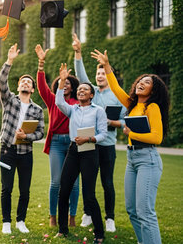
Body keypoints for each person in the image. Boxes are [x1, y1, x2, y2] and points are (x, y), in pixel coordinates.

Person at [92, 49, 169, 244]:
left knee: (145, 212)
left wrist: (130, 133)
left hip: (148, 160)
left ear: (154, 90)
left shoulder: (152, 107)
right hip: (132, 159)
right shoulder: (132, 105)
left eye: (147, 83)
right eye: (141, 81)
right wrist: (107, 65)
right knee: (132, 210)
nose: (142, 83)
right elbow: (116, 88)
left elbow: (157, 137)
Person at [72, 33, 126, 232]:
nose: (99, 76)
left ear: (109, 75)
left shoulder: (118, 96)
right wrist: (78, 52)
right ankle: (87, 213)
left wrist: (111, 121)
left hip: (107, 145)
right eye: (98, 73)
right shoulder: (91, 91)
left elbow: (125, 122)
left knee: (108, 183)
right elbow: (80, 75)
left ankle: (109, 217)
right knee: (88, 182)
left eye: (103, 73)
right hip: (89, 144)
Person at [55, 64, 107, 244]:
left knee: (89, 194)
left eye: (85, 89)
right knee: (64, 190)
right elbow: (58, 102)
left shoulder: (98, 111)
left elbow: (103, 134)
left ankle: (99, 234)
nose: (81, 91)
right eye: (80, 90)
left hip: (90, 152)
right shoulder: (72, 109)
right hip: (73, 151)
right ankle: (62, 229)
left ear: (91, 95)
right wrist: (62, 81)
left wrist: (89, 139)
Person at [0, 43, 45, 234]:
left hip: (26, 153)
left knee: (24, 190)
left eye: (28, 83)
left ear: (32, 89)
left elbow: (41, 132)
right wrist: (9, 61)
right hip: (7, 150)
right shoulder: (10, 100)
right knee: (6, 188)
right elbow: (1, 82)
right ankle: (6, 222)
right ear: (18, 87)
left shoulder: (37, 110)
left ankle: (21, 221)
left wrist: (28, 136)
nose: (25, 83)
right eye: (22, 82)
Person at [34, 44, 80, 227]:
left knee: (75, 184)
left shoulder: (77, 102)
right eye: (63, 82)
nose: (66, 83)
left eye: (68, 82)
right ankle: (53, 216)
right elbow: (41, 86)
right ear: (59, 85)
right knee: (56, 182)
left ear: (73, 86)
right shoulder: (53, 99)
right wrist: (41, 63)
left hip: (72, 144)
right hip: (55, 144)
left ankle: (72, 216)